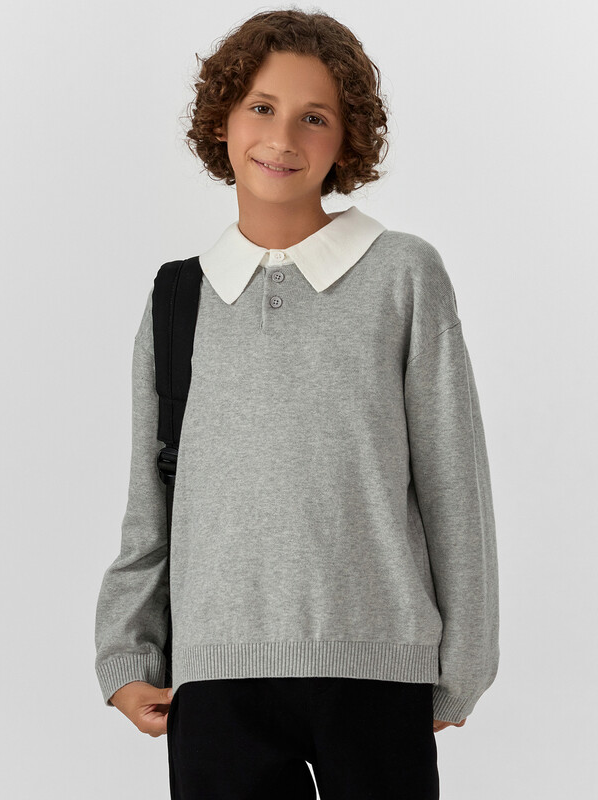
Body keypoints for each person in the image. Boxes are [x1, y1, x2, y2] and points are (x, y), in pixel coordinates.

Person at [94, 8, 500, 799]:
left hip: (377, 670)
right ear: (222, 120)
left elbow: (456, 483)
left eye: (314, 117)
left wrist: (466, 663)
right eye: (261, 107)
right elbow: (153, 494)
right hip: (216, 679)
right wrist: (125, 651)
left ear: (346, 141)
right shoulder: (179, 298)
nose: (281, 138)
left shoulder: (402, 275)